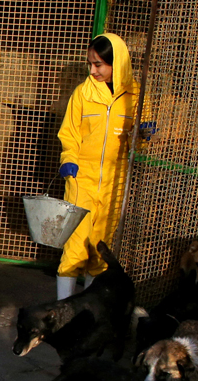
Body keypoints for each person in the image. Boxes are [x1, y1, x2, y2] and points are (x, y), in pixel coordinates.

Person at [55, 33, 153, 300]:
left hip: (114, 183)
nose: (93, 70)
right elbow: (70, 134)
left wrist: (143, 135)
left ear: (117, 63)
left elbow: (138, 144)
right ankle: (64, 307)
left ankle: (88, 308)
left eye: (99, 64)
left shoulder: (135, 96)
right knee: (74, 248)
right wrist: (69, 160)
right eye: (90, 64)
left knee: (100, 250)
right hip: (80, 181)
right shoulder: (83, 94)